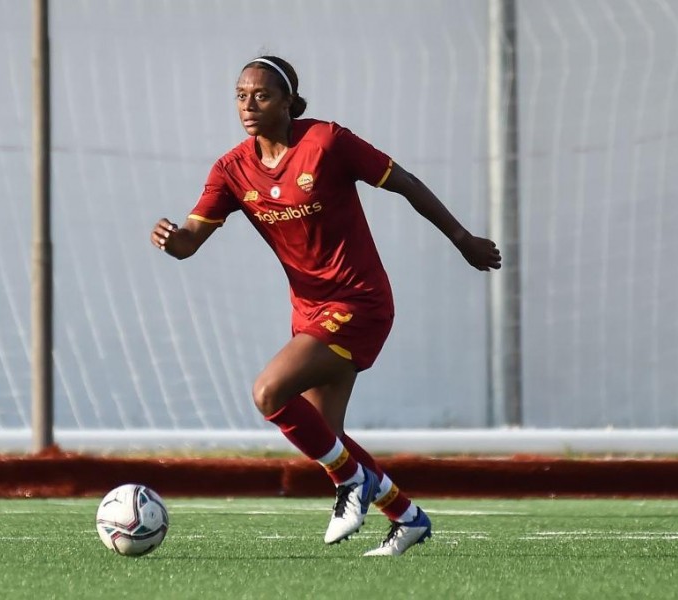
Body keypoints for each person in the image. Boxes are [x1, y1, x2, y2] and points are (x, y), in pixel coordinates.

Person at [150, 55, 501, 556]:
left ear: (289, 101)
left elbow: (407, 184)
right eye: (240, 95)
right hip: (308, 311)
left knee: (269, 392)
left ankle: (350, 485)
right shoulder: (231, 169)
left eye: (262, 95)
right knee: (326, 435)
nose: (248, 105)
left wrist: (462, 238)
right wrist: (170, 239)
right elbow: (189, 241)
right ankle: (406, 516)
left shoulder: (328, 142)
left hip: (359, 301)